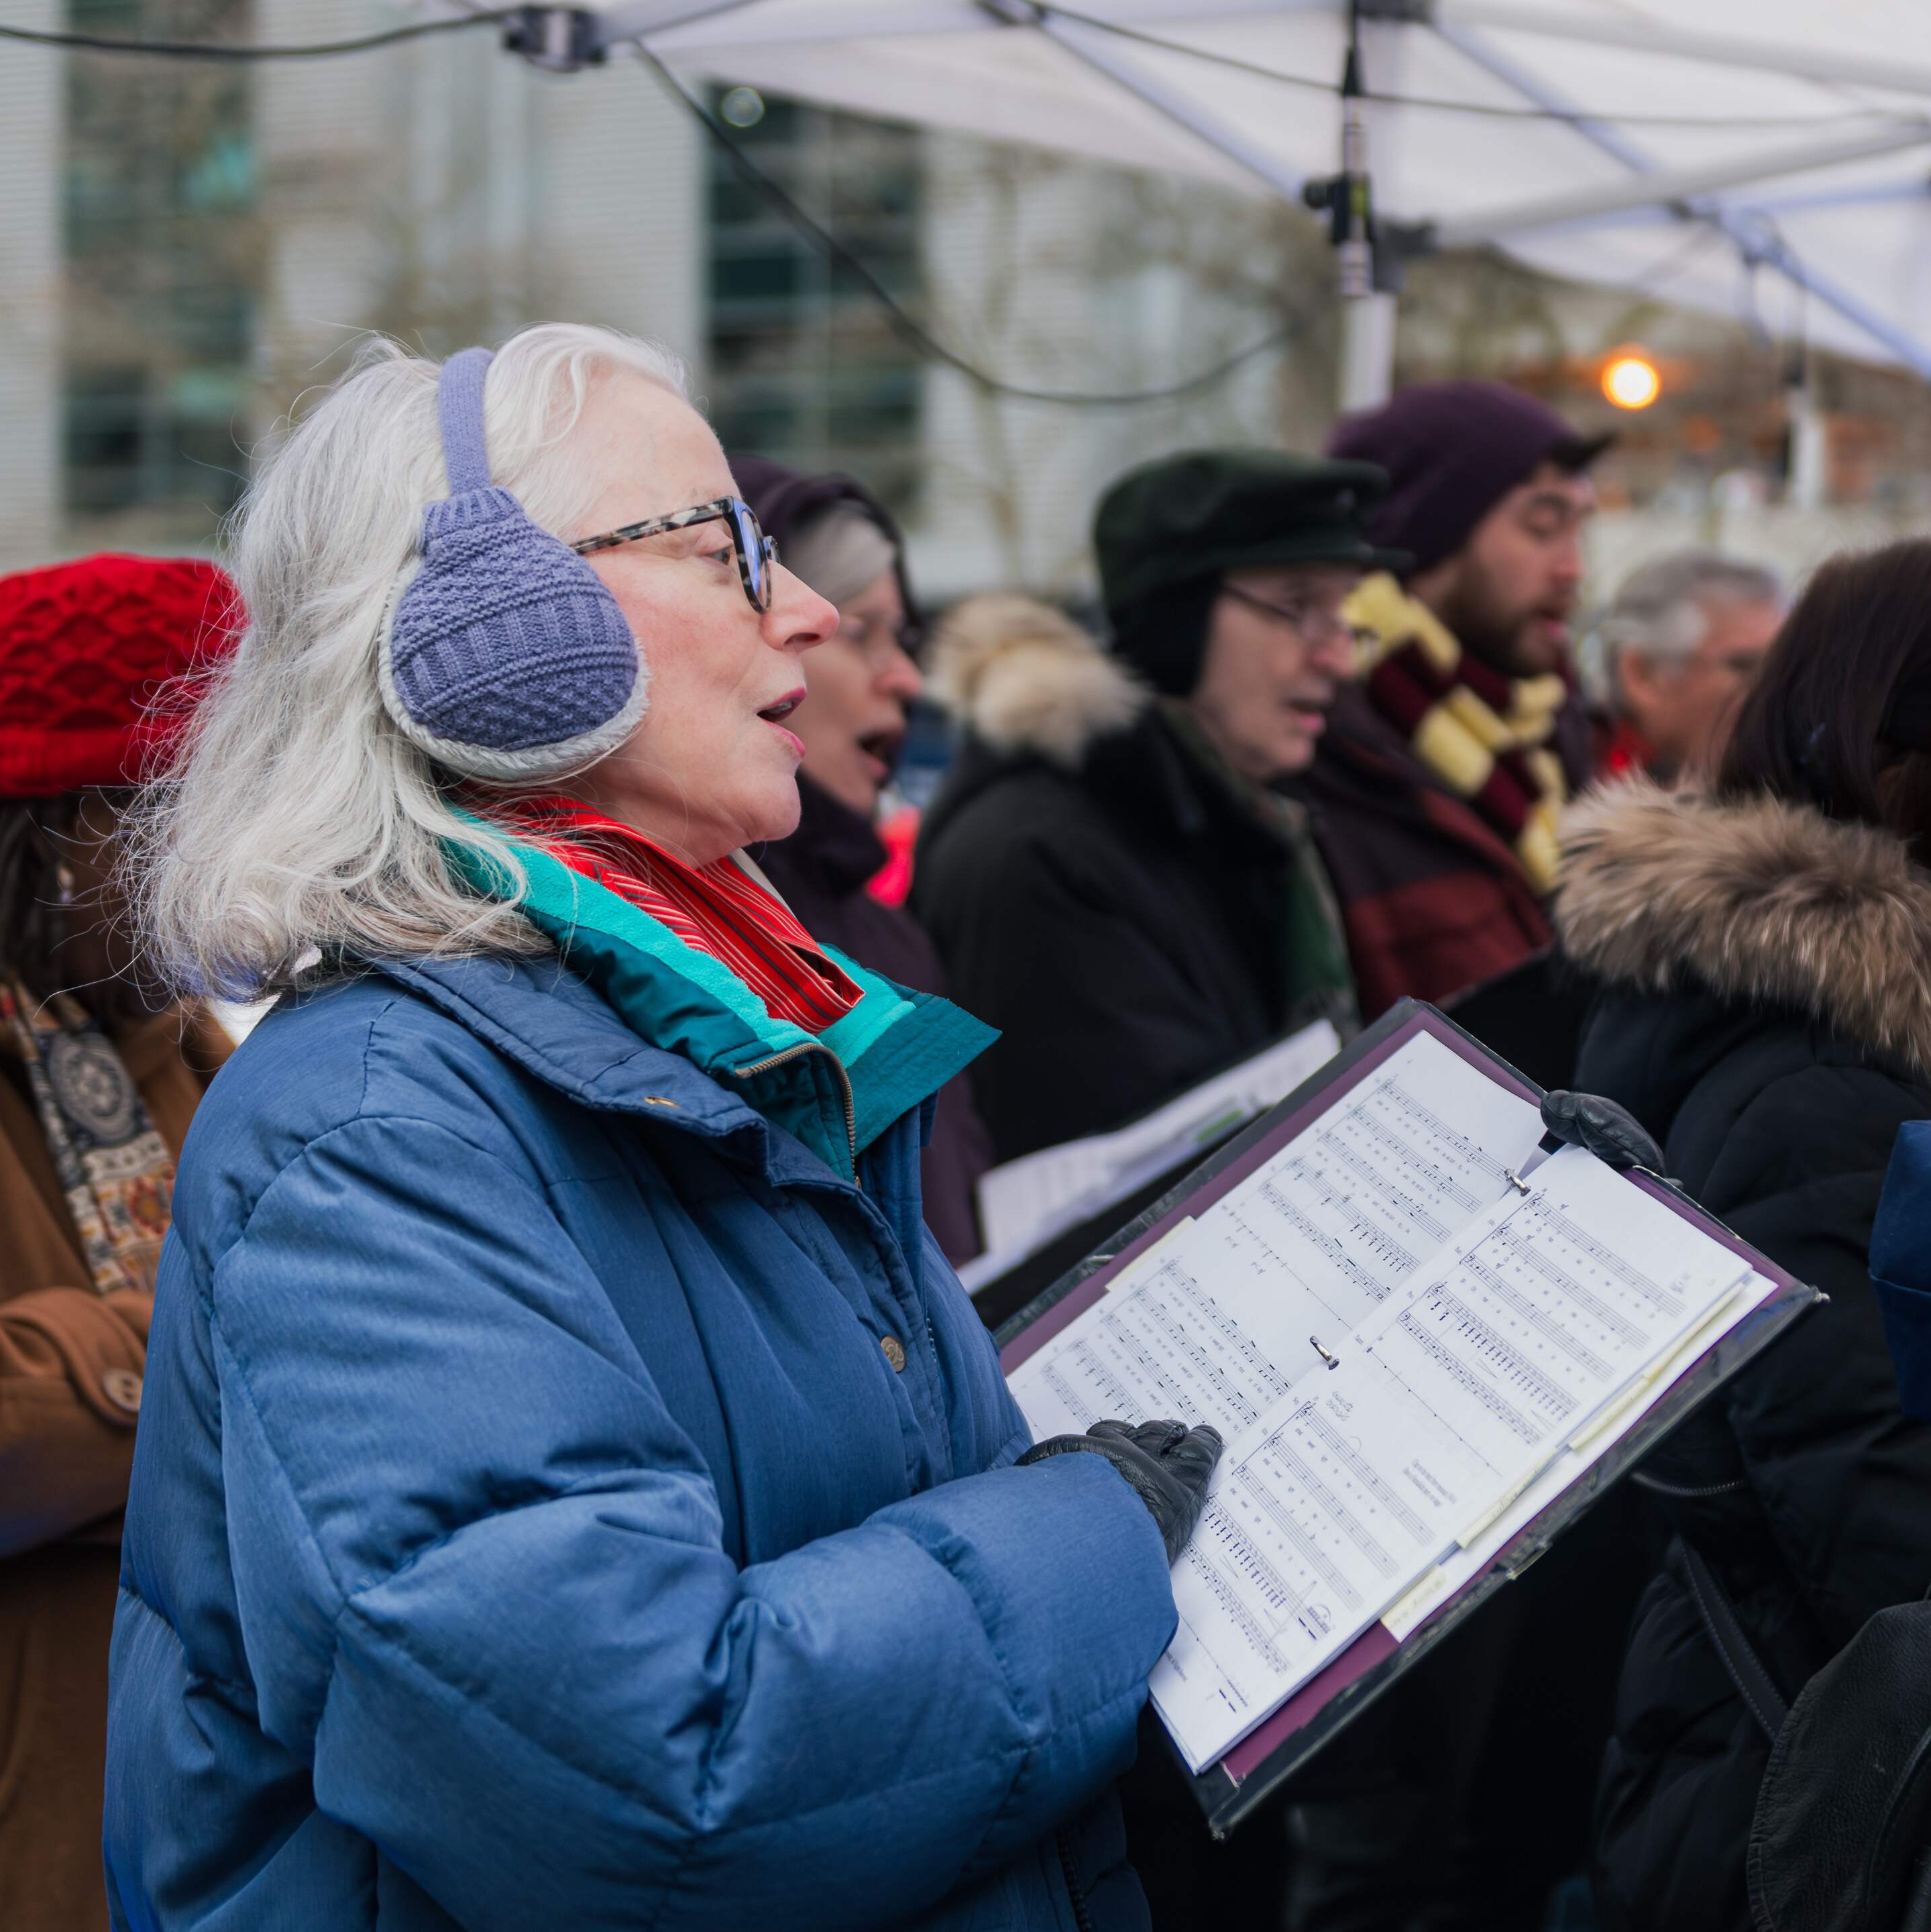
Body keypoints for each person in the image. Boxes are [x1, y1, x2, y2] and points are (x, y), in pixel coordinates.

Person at [105, 323, 1225, 1932]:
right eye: (723, 551)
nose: (816, 615)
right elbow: (641, 1781)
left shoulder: (717, 1031)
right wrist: (1094, 1535)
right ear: (489, 633)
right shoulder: (371, 1134)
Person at [1550, 537, 1931, 1932]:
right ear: (1896, 761)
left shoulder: (1832, 1047)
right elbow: (1885, 1524)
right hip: (1793, 1810)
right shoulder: (1813, 1091)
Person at [915, 451, 1396, 1163]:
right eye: (1297, 609)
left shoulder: (1242, 820)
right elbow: (1136, 1188)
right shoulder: (1042, 856)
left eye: (1342, 618)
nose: (1337, 659)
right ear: (1177, 624)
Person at [0, 553, 237, 1931]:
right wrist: (217, 1336)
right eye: (183, 816)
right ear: (55, 827)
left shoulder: (188, 1044)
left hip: (195, 1827)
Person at [734, 454, 993, 1262]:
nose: (908, 679)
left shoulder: (891, 935)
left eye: (904, 636)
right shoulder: (705, 947)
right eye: (866, 632)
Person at [1298, 380, 1609, 1018]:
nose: (1572, 567)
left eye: (1579, 529)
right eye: (1543, 525)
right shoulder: (1316, 748)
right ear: (1423, 534)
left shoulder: (1552, 733)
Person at [1593, 549, 1785, 780]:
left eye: (1784, 669)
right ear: (1642, 676)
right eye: (1746, 667)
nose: (1777, 692)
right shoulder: (1560, 787)